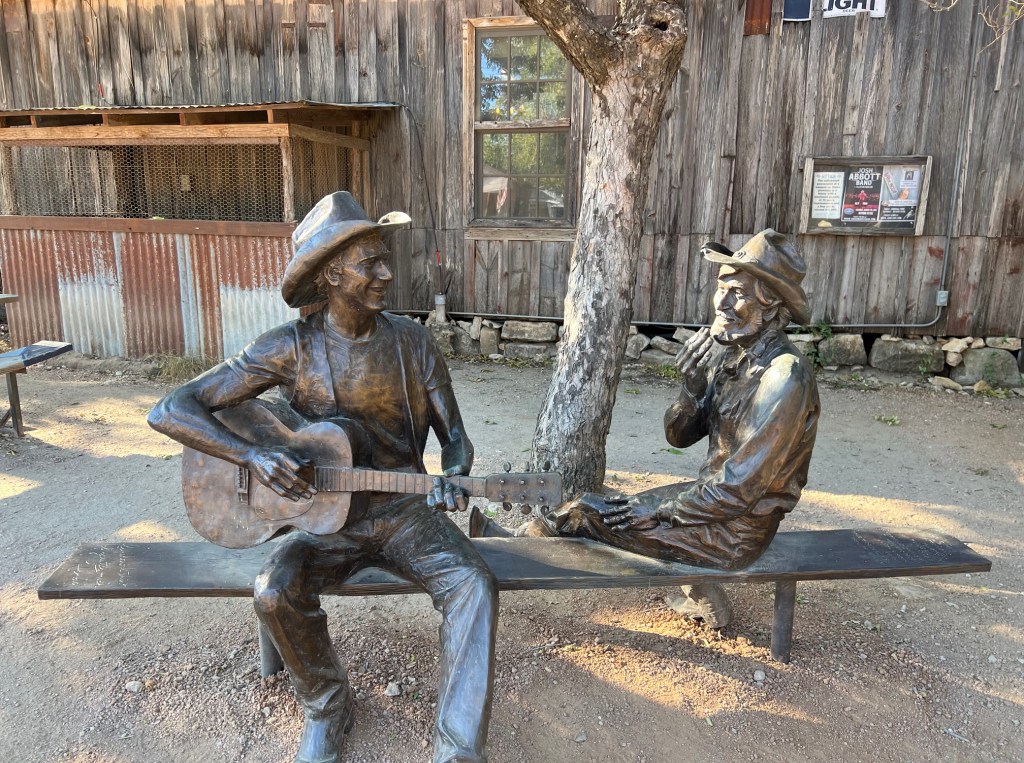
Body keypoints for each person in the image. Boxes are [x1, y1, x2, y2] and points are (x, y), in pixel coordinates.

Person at [148, 192, 497, 763]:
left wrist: (455, 473)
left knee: (473, 584)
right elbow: (172, 408)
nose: (387, 273)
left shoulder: (413, 343)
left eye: (385, 259)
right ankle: (328, 706)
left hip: (404, 514)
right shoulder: (290, 347)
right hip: (323, 523)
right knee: (274, 590)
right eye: (371, 263)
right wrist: (251, 456)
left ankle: (458, 750)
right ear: (332, 273)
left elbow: (454, 437)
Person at [471, 229, 819, 627]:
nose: (720, 302)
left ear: (771, 305)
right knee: (619, 508)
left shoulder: (785, 378)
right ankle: (706, 598)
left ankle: (503, 549)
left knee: (588, 511)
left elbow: (738, 488)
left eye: (736, 292)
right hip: (711, 505)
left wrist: (664, 512)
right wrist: (691, 390)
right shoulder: (736, 359)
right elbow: (679, 436)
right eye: (721, 287)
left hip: (736, 530)